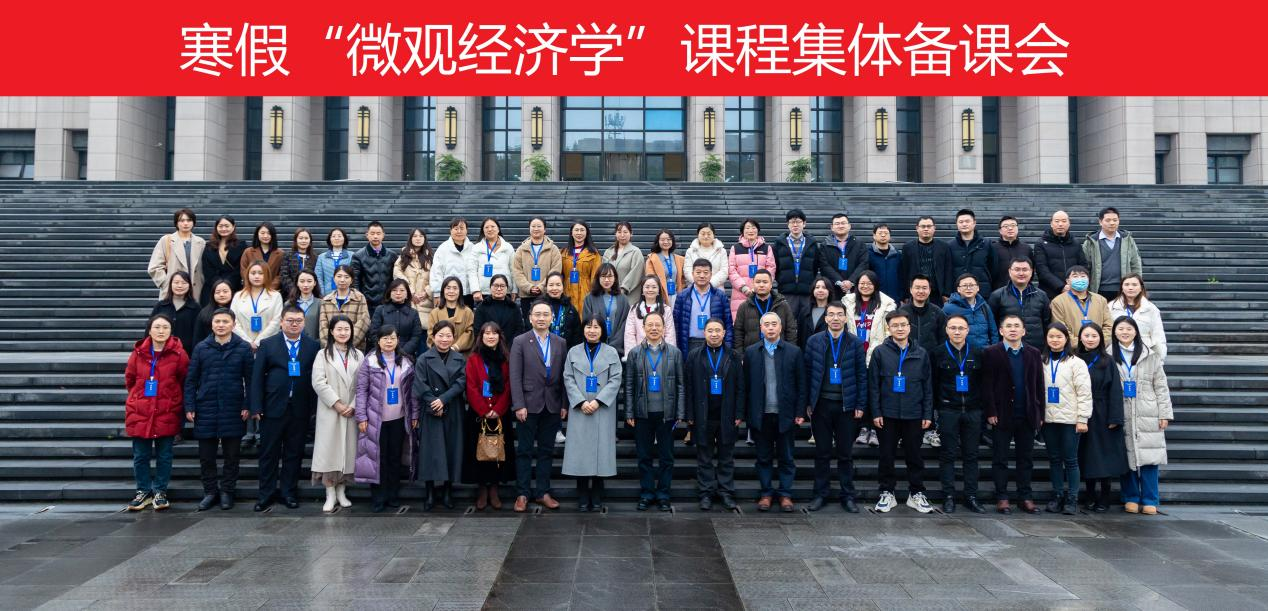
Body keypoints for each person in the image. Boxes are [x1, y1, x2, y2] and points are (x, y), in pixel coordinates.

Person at [250, 306, 320, 511]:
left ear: (304, 323)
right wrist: (256, 406)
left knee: (294, 453)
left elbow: (315, 378)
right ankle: (266, 494)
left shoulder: (313, 346)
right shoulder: (268, 344)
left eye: (298, 320)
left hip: (300, 408)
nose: (294, 324)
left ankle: (288, 493)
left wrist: (313, 408)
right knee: (268, 453)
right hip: (272, 407)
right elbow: (257, 377)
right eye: (290, 320)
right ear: (281, 322)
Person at [185, 307, 252, 511]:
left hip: (233, 407)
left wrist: (247, 404)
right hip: (206, 407)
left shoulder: (243, 348)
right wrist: (190, 405)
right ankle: (210, 491)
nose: (221, 325)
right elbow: (191, 380)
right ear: (212, 324)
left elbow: (250, 380)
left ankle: (227, 492)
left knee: (232, 456)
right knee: (207, 456)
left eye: (225, 322)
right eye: (217, 322)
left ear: (233, 324)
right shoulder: (201, 348)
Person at [803, 302, 867, 512]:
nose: (835, 318)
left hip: (846, 406)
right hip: (821, 404)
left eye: (840, 314)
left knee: (845, 454)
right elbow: (807, 373)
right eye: (831, 315)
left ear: (846, 318)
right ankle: (820, 494)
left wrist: (860, 404)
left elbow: (861, 375)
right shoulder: (814, 341)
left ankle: (848, 496)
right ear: (826, 318)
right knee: (822, 452)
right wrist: (807, 402)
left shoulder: (855, 342)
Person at [868, 311, 934, 514]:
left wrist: (927, 413)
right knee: (886, 456)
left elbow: (927, 386)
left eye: (903, 325)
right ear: (888, 328)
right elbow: (873, 385)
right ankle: (887, 492)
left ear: (909, 327)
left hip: (914, 413)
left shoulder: (921, 353)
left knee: (915, 456)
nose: (900, 328)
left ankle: (916, 493)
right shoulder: (880, 352)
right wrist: (876, 412)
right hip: (887, 414)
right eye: (895, 325)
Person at [124, 314, 189, 511]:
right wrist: (137, 399)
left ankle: (160, 491)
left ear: (171, 331)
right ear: (150, 330)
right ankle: (143, 491)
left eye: (165, 327)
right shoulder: (138, 353)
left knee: (164, 455)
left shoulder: (179, 354)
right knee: (140, 455)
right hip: (141, 410)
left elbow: (184, 380)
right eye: (157, 327)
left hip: (167, 410)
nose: (161, 331)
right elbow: (130, 379)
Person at [743, 313, 806, 512]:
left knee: (786, 457)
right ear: (761, 328)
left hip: (785, 414)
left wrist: (800, 411)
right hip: (760, 414)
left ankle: (785, 494)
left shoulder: (794, 352)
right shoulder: (751, 352)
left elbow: (801, 384)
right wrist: (745, 413)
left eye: (774, 324)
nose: (770, 328)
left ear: (780, 327)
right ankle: (766, 493)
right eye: (766, 325)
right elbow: (745, 386)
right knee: (763, 457)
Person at [509, 300, 569, 512]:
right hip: (528, 404)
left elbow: (564, 376)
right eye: (537, 314)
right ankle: (522, 494)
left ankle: (543, 492)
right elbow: (514, 375)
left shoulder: (560, 342)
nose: (541, 318)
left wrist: (564, 404)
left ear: (552, 318)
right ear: (530, 317)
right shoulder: (520, 341)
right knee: (524, 451)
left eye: (545, 314)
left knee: (546, 451)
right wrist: (518, 404)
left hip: (552, 404)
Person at [623, 311, 686, 511]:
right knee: (644, 457)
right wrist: (629, 412)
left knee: (666, 457)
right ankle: (647, 493)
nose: (654, 328)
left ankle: (663, 494)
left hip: (667, 414)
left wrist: (680, 412)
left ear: (664, 328)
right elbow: (629, 385)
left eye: (658, 325)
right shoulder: (634, 353)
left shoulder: (675, 353)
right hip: (642, 413)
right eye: (649, 325)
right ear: (643, 328)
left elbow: (681, 385)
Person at [982, 314, 1045, 515]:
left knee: (1025, 458)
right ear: (1001, 331)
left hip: (1027, 413)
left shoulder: (1033, 353)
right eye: (1008, 326)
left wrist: (1040, 413)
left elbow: (1039, 385)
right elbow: (987, 385)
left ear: (1023, 331)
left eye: (1017, 326)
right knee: (1000, 458)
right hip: (1001, 414)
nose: (1013, 329)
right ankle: (1002, 497)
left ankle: (1025, 497)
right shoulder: (992, 352)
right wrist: (991, 410)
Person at [1112, 316, 1173, 515]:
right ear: (1114, 331)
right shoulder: (1109, 354)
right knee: (1126, 455)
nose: (1125, 332)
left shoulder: (1150, 355)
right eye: (1120, 328)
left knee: (1149, 457)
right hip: (1122, 410)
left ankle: (1150, 499)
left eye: (1129, 329)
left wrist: (1164, 413)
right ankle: (1131, 497)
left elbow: (1161, 386)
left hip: (1148, 410)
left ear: (1136, 332)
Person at [355, 324, 420, 513]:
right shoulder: (370, 361)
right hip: (375, 419)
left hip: (399, 418)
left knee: (394, 457)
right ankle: (378, 497)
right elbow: (361, 390)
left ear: (398, 340)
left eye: (392, 338)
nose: (389, 341)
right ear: (378, 341)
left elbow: (413, 393)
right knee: (378, 458)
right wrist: (361, 416)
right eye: (385, 338)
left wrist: (415, 414)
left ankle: (392, 495)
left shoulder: (406, 362)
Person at [562, 317, 623, 511]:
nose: (592, 330)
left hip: (602, 409)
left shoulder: (611, 352)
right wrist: (581, 401)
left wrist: (598, 401)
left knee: (600, 454)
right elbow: (568, 378)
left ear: (602, 330)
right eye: (589, 326)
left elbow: (616, 379)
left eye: (596, 327)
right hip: (579, 408)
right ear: (583, 329)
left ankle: (597, 497)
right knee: (580, 453)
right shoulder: (573, 352)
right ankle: (582, 497)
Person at [685, 318, 744, 511]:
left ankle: (726, 492)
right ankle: (706, 493)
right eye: (710, 330)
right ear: (704, 333)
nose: (714, 334)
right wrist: (689, 414)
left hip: (727, 414)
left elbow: (740, 387)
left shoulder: (733, 356)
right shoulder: (694, 356)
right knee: (704, 457)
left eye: (718, 330)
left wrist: (739, 412)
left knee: (726, 457)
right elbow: (688, 387)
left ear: (724, 333)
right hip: (702, 414)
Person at [931, 315, 987, 514]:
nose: (957, 331)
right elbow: (933, 384)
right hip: (948, 410)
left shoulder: (978, 352)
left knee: (971, 455)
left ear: (967, 330)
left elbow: (983, 383)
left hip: (973, 410)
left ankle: (971, 496)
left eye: (961, 328)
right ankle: (948, 496)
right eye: (953, 328)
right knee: (948, 455)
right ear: (946, 330)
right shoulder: (938, 353)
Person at [310, 315, 364, 513]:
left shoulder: (359, 355)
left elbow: (364, 383)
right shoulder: (322, 355)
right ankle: (330, 493)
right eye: (339, 329)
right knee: (330, 452)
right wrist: (337, 404)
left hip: (351, 410)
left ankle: (342, 490)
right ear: (332, 332)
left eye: (346, 329)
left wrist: (354, 404)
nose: (343, 333)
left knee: (348, 453)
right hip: (331, 410)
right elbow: (318, 382)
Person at [1040, 323, 1093, 515]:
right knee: (1054, 459)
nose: (1055, 340)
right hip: (1048, 419)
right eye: (1051, 336)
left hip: (1070, 419)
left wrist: (1083, 418)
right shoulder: (1041, 361)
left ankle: (1072, 498)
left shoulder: (1076, 363)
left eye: (1059, 337)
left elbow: (1084, 393)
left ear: (1066, 339)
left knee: (1071, 460)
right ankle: (1057, 495)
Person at [415, 320, 467, 511]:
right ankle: (429, 492)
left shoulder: (459, 358)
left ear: (453, 337)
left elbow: (461, 382)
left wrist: (443, 399)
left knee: (451, 450)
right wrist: (434, 402)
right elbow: (420, 384)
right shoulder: (424, 358)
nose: (444, 339)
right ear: (433, 336)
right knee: (430, 452)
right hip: (431, 409)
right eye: (440, 335)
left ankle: (447, 491)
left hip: (452, 408)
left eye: (448, 335)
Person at [464, 322, 516, 510]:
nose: (490, 336)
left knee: (498, 454)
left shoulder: (506, 359)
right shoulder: (473, 359)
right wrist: (484, 410)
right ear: (481, 336)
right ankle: (482, 490)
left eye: (494, 333)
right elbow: (471, 387)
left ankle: (494, 489)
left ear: (499, 337)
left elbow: (509, 386)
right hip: (479, 414)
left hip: (500, 414)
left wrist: (498, 409)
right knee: (479, 453)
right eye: (487, 333)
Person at [1075, 323, 1127, 513]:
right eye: (1086, 335)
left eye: (1094, 336)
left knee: (1105, 455)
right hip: (1083, 411)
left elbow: (1115, 390)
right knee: (1086, 454)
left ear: (1101, 338)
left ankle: (1105, 496)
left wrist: (1115, 417)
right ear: (1080, 338)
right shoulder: (1075, 358)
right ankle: (1089, 495)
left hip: (1103, 411)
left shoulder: (1108, 360)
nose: (1090, 339)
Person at [987, 257, 1051, 349]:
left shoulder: (1042, 295)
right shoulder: (997, 295)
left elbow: (1047, 323)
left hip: (1036, 349)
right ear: (1009, 271)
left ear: (1031, 272)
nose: (1021, 273)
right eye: (1017, 270)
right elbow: (992, 326)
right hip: (1006, 349)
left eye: (1025, 270)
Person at [672, 258, 733, 354]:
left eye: (705, 272)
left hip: (714, 342)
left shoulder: (720, 296)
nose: (702, 276)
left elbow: (728, 324)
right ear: (692, 274)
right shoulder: (682, 296)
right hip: (690, 343)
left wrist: (728, 348)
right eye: (698, 272)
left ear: (711, 274)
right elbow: (676, 324)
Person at [1082, 207, 1143, 302]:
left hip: (1123, 289)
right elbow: (1085, 267)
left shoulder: (1127, 240)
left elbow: (1135, 264)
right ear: (1100, 222)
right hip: (1098, 290)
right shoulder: (1091, 242)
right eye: (1108, 220)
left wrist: (1136, 284)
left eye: (1115, 220)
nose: (1112, 223)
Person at [773, 209, 823, 323]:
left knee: (806, 324)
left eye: (798, 222)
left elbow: (815, 266)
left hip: (806, 291)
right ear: (788, 224)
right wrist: (782, 280)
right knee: (786, 323)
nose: (795, 225)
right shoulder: (779, 243)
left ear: (804, 223)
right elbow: (775, 265)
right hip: (787, 291)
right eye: (792, 222)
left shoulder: (812, 243)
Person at [148, 207, 205, 301]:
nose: (185, 223)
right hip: (173, 291)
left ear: (193, 222)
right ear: (176, 223)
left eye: (189, 220)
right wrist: (167, 283)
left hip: (195, 291)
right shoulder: (166, 240)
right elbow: (154, 267)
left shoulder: (201, 242)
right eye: (182, 220)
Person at [1109, 274, 1167, 362]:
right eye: (1127, 284)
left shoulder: (1151, 308)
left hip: (1144, 354)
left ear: (1141, 288)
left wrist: (1160, 358)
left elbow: (1158, 335)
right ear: (1122, 288)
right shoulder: (1111, 307)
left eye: (1134, 285)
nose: (1130, 288)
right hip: (1117, 353)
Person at [512, 217, 562, 320]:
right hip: (526, 296)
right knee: (529, 323)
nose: (536, 228)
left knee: (547, 321)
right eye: (533, 226)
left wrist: (542, 287)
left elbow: (555, 270)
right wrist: (528, 287)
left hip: (547, 294)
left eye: (539, 226)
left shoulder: (553, 249)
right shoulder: (521, 249)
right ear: (529, 229)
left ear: (545, 229)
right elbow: (517, 271)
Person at [733, 269, 796, 350]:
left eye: (765, 282)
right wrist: (740, 355)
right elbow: (738, 333)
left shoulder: (782, 305)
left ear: (771, 285)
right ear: (753, 284)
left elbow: (791, 331)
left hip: (778, 351)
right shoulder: (744, 307)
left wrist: (789, 352)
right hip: (752, 353)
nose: (761, 285)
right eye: (758, 282)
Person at [1050, 265, 1112, 347]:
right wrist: (1080, 344)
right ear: (1067, 281)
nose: (1080, 279)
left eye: (1083, 276)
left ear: (1088, 280)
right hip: (1073, 350)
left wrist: (1098, 342)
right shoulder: (1058, 302)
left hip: (1098, 348)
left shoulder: (1101, 300)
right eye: (1075, 276)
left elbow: (1109, 325)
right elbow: (1060, 328)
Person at [727, 218, 777, 319]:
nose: (751, 230)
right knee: (740, 322)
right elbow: (731, 270)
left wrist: (761, 285)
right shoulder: (735, 248)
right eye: (747, 228)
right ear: (742, 231)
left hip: (762, 292)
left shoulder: (766, 248)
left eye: (753, 228)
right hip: (740, 293)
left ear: (758, 230)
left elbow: (771, 268)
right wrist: (744, 288)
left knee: (762, 322)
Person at [844, 270, 897, 364]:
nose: (865, 286)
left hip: (877, 355)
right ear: (857, 284)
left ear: (875, 285)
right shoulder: (847, 303)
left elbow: (889, 332)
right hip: (852, 354)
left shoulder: (887, 305)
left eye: (869, 283)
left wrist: (881, 350)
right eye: (862, 283)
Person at [1033, 210, 1087, 299]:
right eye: (1057, 221)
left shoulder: (1075, 243)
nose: (1060, 224)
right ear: (1051, 223)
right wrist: (1061, 286)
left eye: (1064, 221)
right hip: (1050, 292)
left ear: (1069, 223)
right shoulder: (1041, 244)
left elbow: (1083, 266)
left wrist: (1075, 284)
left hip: (1074, 290)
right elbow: (1042, 270)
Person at [230, 260, 284, 350]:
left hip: (268, 344)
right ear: (247, 275)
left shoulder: (276, 296)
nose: (256, 276)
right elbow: (233, 321)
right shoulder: (238, 296)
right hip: (242, 345)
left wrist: (258, 342)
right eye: (253, 273)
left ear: (267, 275)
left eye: (261, 273)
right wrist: (248, 342)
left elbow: (276, 321)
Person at [900, 216, 953, 302]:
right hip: (916, 293)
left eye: (929, 226)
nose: (926, 229)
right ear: (917, 228)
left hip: (937, 293)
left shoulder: (944, 247)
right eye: (923, 226)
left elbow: (948, 270)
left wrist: (947, 293)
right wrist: (905, 295)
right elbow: (904, 272)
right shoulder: (908, 247)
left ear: (934, 228)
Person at [350, 220, 399, 314]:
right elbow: (355, 280)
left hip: (388, 302)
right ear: (367, 235)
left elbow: (396, 279)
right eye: (372, 233)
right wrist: (359, 299)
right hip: (367, 303)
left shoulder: (392, 255)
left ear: (383, 235)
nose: (375, 236)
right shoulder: (358, 256)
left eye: (378, 233)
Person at [393, 227, 434, 335]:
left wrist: (426, 292)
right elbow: (397, 273)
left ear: (425, 238)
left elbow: (436, 278)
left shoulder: (431, 257)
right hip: (408, 301)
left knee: (423, 334)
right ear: (410, 238)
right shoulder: (404, 255)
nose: (418, 238)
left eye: (421, 236)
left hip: (425, 302)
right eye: (415, 236)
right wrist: (410, 292)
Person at [318, 265, 371, 349]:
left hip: (354, 348)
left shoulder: (359, 298)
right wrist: (330, 346)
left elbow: (363, 322)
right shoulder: (326, 300)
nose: (342, 280)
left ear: (351, 280)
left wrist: (348, 344)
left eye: (346, 277)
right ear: (334, 278)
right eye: (339, 276)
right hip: (331, 348)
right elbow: (323, 326)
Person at [582, 264, 629, 356]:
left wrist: (615, 343)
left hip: (617, 348)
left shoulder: (623, 299)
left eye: (610, 276)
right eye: (603, 276)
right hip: (595, 346)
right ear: (598, 278)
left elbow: (625, 324)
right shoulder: (589, 298)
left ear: (615, 278)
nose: (607, 280)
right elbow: (586, 322)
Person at [431, 218, 479, 308]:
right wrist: (437, 293)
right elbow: (436, 272)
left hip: (467, 294)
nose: (459, 231)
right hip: (448, 293)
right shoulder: (443, 248)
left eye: (462, 228)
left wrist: (476, 290)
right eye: (456, 228)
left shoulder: (473, 248)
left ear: (466, 230)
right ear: (450, 230)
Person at [151, 271, 200, 357]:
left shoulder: (195, 308)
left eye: (184, 283)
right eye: (176, 282)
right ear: (170, 284)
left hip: (186, 354)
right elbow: (150, 328)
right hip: (161, 353)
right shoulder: (161, 306)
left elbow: (198, 334)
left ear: (189, 285)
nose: (180, 286)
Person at [371, 279, 424, 357]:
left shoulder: (413, 313)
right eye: (394, 290)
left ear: (407, 294)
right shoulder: (380, 310)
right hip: (383, 353)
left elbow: (416, 336)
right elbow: (374, 333)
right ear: (389, 293)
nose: (398, 293)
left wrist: (403, 352)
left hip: (406, 354)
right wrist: (386, 349)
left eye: (402, 290)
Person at [942, 273, 997, 349]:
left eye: (971, 285)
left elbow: (993, 331)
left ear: (978, 288)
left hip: (985, 351)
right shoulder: (948, 308)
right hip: (962, 352)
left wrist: (993, 349)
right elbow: (943, 333)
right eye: (964, 285)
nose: (968, 288)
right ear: (958, 289)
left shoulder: (984, 306)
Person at [468, 217, 516, 302]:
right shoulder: (476, 248)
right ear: (483, 230)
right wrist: (475, 290)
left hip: (504, 291)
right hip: (484, 292)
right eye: (486, 227)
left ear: (498, 229)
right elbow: (472, 270)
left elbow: (514, 270)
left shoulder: (508, 247)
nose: (490, 229)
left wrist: (515, 290)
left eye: (493, 226)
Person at [200, 215, 245, 305]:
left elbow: (239, 269)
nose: (223, 229)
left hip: (233, 288)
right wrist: (218, 285)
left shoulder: (241, 246)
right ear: (216, 228)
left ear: (233, 227)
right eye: (220, 226)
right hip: (212, 289)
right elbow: (207, 269)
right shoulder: (209, 246)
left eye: (227, 226)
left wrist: (227, 285)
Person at [625, 274, 677, 351]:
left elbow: (670, 334)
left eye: (654, 287)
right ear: (642, 290)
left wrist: (668, 353)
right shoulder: (634, 309)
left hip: (661, 352)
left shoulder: (666, 310)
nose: (650, 290)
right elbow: (629, 334)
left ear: (658, 290)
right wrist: (633, 354)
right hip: (639, 352)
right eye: (647, 287)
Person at [820, 213, 868, 296]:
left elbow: (863, 264)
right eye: (837, 223)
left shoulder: (860, 244)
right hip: (832, 288)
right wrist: (840, 282)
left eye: (843, 223)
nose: (840, 226)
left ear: (849, 226)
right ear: (832, 227)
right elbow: (824, 266)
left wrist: (851, 281)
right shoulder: (825, 245)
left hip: (855, 289)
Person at [899, 275, 947, 357]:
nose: (921, 291)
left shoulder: (938, 312)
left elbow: (943, 338)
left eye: (924, 288)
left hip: (932, 359)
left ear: (929, 290)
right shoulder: (902, 312)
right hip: (907, 357)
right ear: (911, 290)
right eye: (917, 288)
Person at [562, 220, 602, 317]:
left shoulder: (593, 253)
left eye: (582, 230)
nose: (579, 233)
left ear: (586, 233)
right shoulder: (563, 252)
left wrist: (593, 295)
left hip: (585, 292)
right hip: (567, 291)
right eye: (576, 230)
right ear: (571, 233)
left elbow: (596, 277)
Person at [947, 209, 993, 291]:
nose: (964, 224)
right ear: (956, 224)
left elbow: (993, 269)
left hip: (982, 291)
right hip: (958, 291)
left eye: (967, 221)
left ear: (974, 223)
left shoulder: (986, 244)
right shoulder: (950, 245)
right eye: (961, 222)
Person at [474, 274, 525, 347]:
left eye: (502, 286)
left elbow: (519, 330)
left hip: (510, 347)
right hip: (487, 348)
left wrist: (510, 347)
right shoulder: (482, 307)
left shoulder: (514, 307)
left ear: (507, 288)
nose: (499, 289)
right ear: (490, 287)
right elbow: (477, 331)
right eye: (496, 286)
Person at [429, 276, 475, 353]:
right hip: (439, 354)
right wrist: (443, 347)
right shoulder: (434, 313)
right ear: (443, 291)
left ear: (460, 291)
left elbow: (470, 333)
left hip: (462, 355)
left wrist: (455, 347)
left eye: (455, 288)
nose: (451, 291)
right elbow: (431, 335)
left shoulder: (468, 312)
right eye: (448, 288)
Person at [602, 221, 644, 301]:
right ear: (615, 234)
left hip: (629, 297)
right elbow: (603, 272)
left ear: (631, 233)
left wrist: (623, 288)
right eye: (619, 232)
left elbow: (636, 273)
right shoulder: (609, 251)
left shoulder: (635, 252)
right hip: (609, 294)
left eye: (625, 232)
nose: (622, 235)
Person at [541, 272, 583, 348]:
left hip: (566, 350)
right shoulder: (539, 307)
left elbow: (577, 334)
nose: (554, 288)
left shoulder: (570, 308)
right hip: (543, 349)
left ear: (563, 287)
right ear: (546, 288)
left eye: (558, 285)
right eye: (551, 285)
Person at [645, 229, 686, 307]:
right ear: (658, 241)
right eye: (662, 240)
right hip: (660, 297)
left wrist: (681, 288)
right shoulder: (652, 259)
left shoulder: (679, 259)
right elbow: (650, 279)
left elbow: (683, 278)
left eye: (669, 239)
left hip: (675, 295)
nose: (666, 242)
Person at [990, 216, 1031, 292]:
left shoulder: (1026, 248)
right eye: (1006, 226)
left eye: (1013, 225)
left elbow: (1031, 269)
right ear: (1000, 231)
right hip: (998, 291)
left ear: (1017, 228)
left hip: (1022, 291)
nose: (1010, 228)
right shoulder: (992, 248)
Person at [683, 222, 728, 290]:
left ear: (713, 235)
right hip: (695, 289)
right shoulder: (690, 251)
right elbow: (687, 271)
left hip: (716, 289)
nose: (706, 236)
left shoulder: (721, 251)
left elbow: (724, 271)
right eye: (703, 234)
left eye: (709, 234)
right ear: (698, 235)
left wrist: (710, 284)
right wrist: (699, 283)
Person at [797, 277, 839, 349]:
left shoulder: (835, 312)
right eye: (817, 287)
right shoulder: (804, 311)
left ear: (829, 291)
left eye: (824, 287)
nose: (820, 290)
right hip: (807, 351)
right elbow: (799, 336)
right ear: (813, 291)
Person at [239, 222, 282, 291]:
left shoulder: (280, 253)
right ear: (257, 234)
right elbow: (244, 271)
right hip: (252, 289)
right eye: (262, 233)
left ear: (273, 235)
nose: (265, 236)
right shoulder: (248, 252)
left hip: (271, 291)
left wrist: (270, 288)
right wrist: (253, 286)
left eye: (269, 233)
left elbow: (281, 274)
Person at [865, 224, 903, 302]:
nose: (883, 235)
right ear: (874, 236)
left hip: (894, 298)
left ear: (890, 236)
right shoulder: (867, 254)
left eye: (886, 233)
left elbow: (901, 276)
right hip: (874, 298)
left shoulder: (897, 254)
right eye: (880, 233)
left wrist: (902, 296)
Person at [278, 227, 317, 300]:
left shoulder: (314, 257)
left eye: (306, 238)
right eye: (301, 238)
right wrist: (295, 290)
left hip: (309, 295)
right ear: (296, 240)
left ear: (310, 241)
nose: (303, 241)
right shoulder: (287, 256)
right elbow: (284, 276)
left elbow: (316, 276)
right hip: (290, 295)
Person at [194, 279, 235, 347]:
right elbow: (197, 338)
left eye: (225, 291)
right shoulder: (204, 313)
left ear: (232, 293)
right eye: (217, 292)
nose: (221, 295)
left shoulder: (238, 310)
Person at [315, 227, 353, 295]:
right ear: (330, 239)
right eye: (333, 236)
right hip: (327, 294)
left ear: (344, 239)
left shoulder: (352, 256)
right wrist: (322, 294)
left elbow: (355, 276)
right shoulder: (322, 257)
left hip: (347, 294)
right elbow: (318, 277)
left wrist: (352, 293)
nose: (336, 238)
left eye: (339, 236)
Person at [289, 270, 322, 340]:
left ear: (315, 283)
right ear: (297, 283)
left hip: (314, 343)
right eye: (302, 281)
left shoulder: (321, 304)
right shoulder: (289, 304)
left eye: (309, 281)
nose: (306, 285)